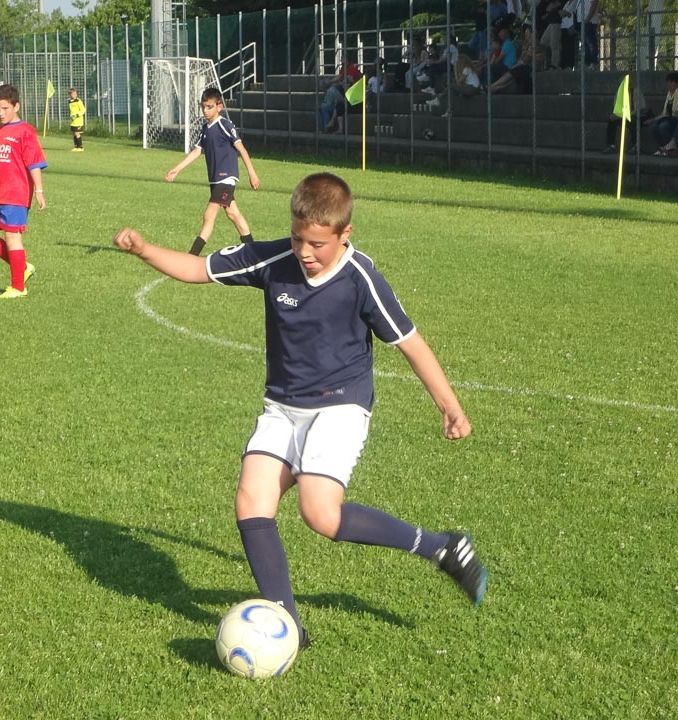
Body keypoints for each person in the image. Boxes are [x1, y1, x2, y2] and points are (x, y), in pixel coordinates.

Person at [112, 172, 489, 648]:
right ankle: (287, 626)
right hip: (282, 407)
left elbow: (409, 342)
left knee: (320, 513)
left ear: (344, 234)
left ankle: (441, 547)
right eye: (297, 238)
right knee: (251, 502)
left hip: (340, 407)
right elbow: (198, 268)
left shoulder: (361, 279)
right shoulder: (276, 259)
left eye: (316, 244)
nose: (305, 252)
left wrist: (449, 406)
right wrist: (144, 249)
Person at [165, 86, 261, 256]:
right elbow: (197, 151)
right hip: (215, 179)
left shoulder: (225, 125)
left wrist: (252, 174)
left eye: (210, 107)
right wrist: (177, 169)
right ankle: (253, 251)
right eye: (203, 107)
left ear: (219, 106)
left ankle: (192, 256)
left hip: (226, 178)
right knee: (233, 213)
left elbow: (242, 150)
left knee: (209, 215)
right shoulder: (205, 128)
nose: (205, 110)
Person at [0, 84, 48, 299]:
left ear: (17, 106)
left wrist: (39, 191)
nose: (0, 113)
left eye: (5, 108)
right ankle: (22, 266)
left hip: (16, 194)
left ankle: (18, 287)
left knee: (12, 237)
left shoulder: (26, 131)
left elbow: (34, 164)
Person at [602, 87, 651, 154]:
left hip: (637, 116)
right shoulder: (619, 94)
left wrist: (626, 115)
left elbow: (640, 109)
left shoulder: (636, 92)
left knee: (634, 120)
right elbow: (616, 108)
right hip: (624, 116)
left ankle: (635, 146)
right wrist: (616, 115)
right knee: (611, 120)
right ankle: (611, 146)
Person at [643, 72, 678, 155]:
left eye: (671, 82)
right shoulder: (669, 94)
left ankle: (671, 146)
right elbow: (664, 113)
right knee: (654, 127)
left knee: (663, 126)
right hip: (669, 119)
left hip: (675, 119)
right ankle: (663, 147)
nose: (669, 84)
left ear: (677, 83)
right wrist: (652, 120)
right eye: (668, 82)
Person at [68, 87, 86, 152]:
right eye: (72, 94)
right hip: (73, 121)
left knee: (77, 133)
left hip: (78, 121)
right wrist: (72, 116)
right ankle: (76, 146)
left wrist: (77, 115)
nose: (74, 95)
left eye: (75, 94)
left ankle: (80, 147)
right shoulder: (70, 101)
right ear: (70, 95)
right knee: (74, 133)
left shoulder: (78, 101)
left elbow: (83, 110)